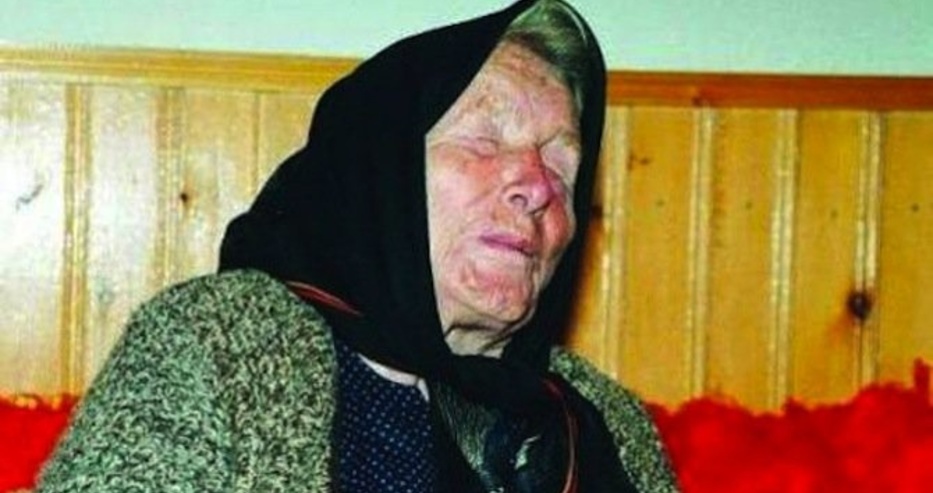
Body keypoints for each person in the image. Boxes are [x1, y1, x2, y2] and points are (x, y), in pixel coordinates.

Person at [38, 1, 679, 492]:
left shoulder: (602, 423)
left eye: (561, 167)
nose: (537, 187)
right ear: (378, 175)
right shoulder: (220, 344)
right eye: (485, 140)